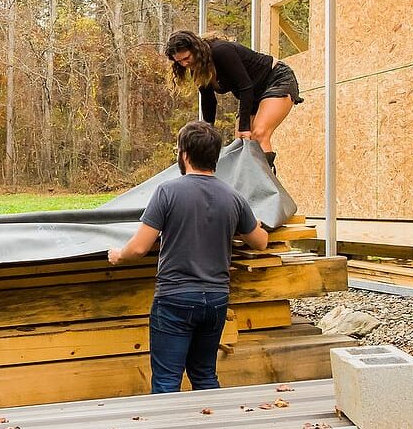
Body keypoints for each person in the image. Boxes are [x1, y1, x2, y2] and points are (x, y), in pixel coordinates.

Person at [107, 121, 268, 394]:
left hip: (175, 300)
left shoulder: (167, 192)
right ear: (214, 156)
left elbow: (138, 248)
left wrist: (118, 255)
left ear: (184, 154)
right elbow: (260, 242)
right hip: (216, 300)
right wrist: (253, 225)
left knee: (167, 381)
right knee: (205, 377)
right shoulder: (233, 197)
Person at [164, 30, 303, 173]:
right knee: (241, 143)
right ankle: (248, 183)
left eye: (187, 58)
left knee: (259, 133)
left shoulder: (221, 51)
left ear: (196, 49)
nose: (185, 64)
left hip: (276, 79)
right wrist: (206, 132)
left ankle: (266, 186)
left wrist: (244, 127)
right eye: (179, 61)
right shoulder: (197, 68)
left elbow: (245, 86)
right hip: (252, 93)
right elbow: (208, 101)